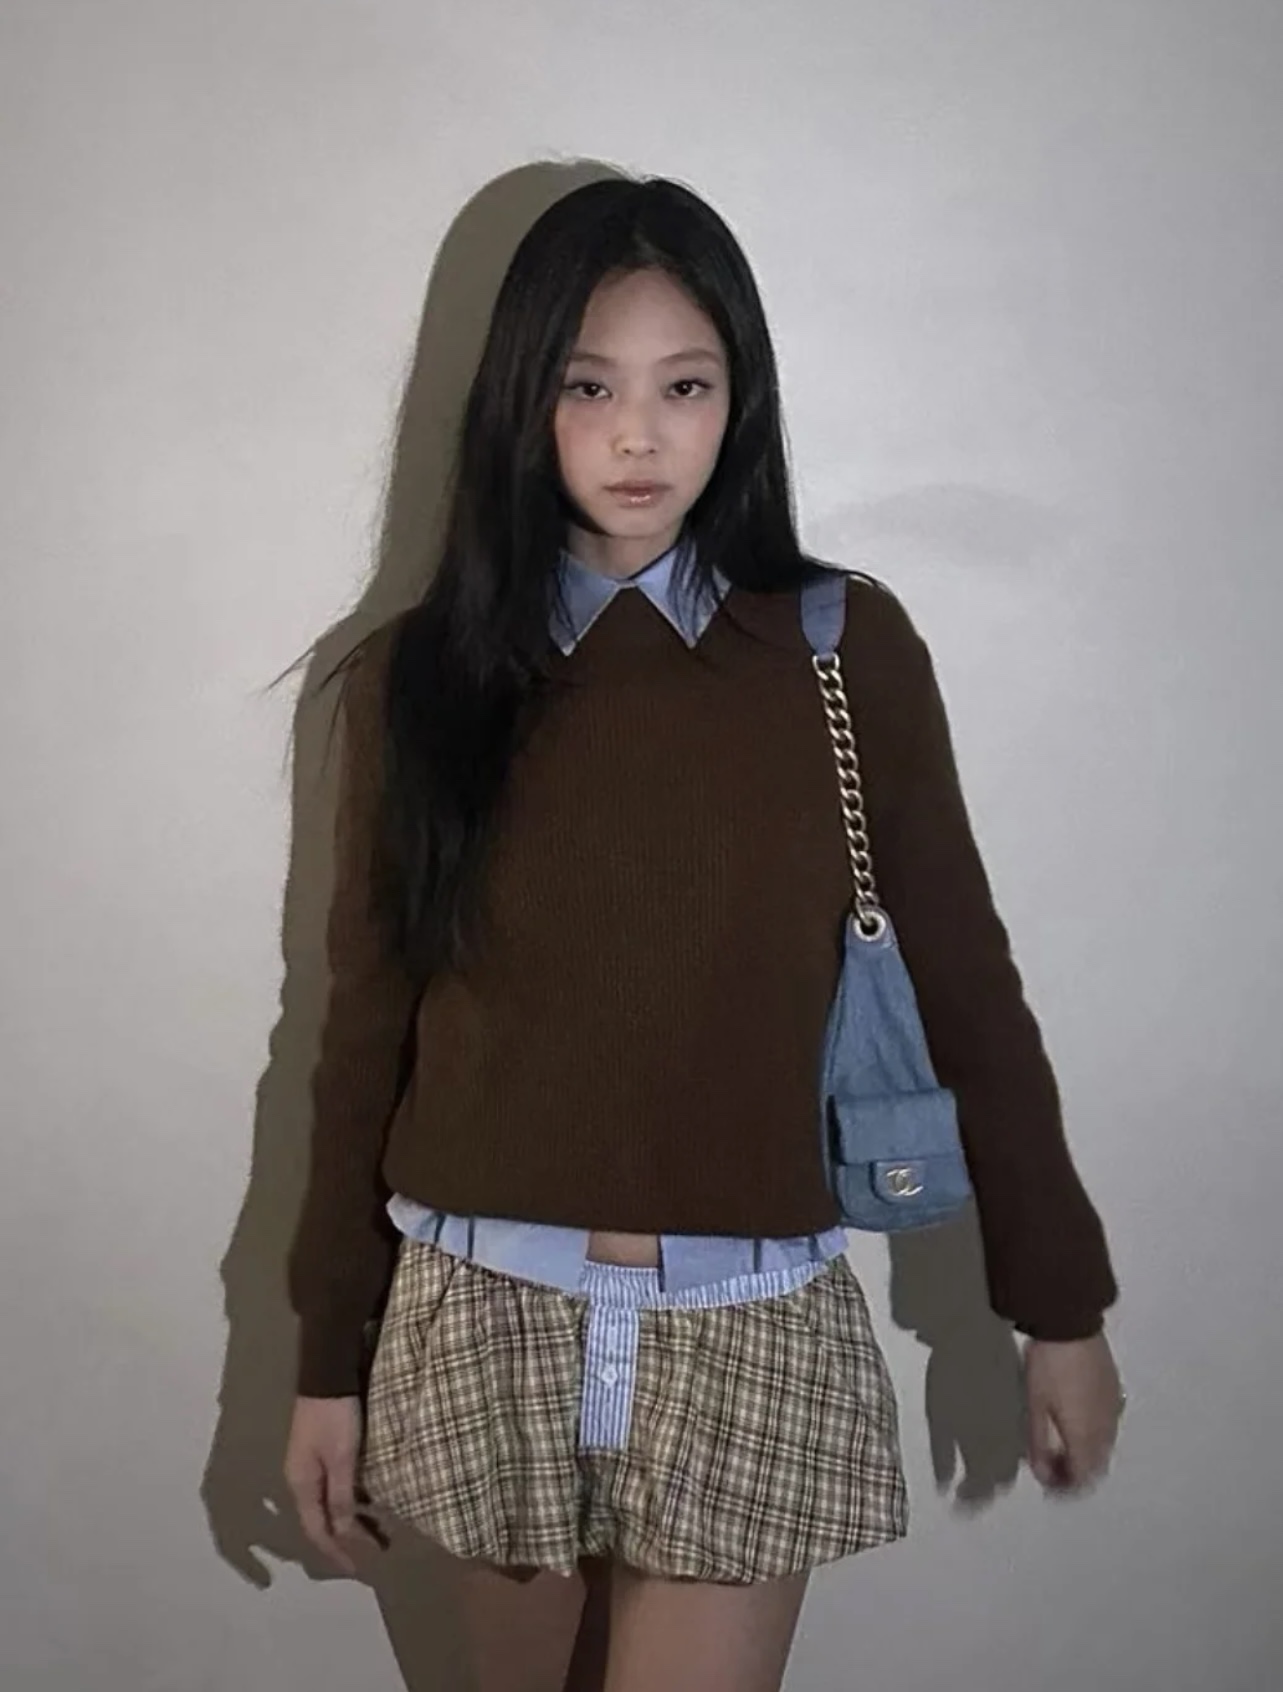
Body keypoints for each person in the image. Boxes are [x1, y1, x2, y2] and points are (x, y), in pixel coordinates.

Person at [283, 174, 1122, 1692]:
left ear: (740, 401)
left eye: (684, 386)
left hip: (748, 1316)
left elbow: (967, 986)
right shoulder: (421, 681)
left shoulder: (841, 650)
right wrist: (325, 1360)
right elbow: (361, 1034)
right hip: (478, 1312)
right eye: (587, 386)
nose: (638, 436)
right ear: (521, 400)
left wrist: (1058, 1307)